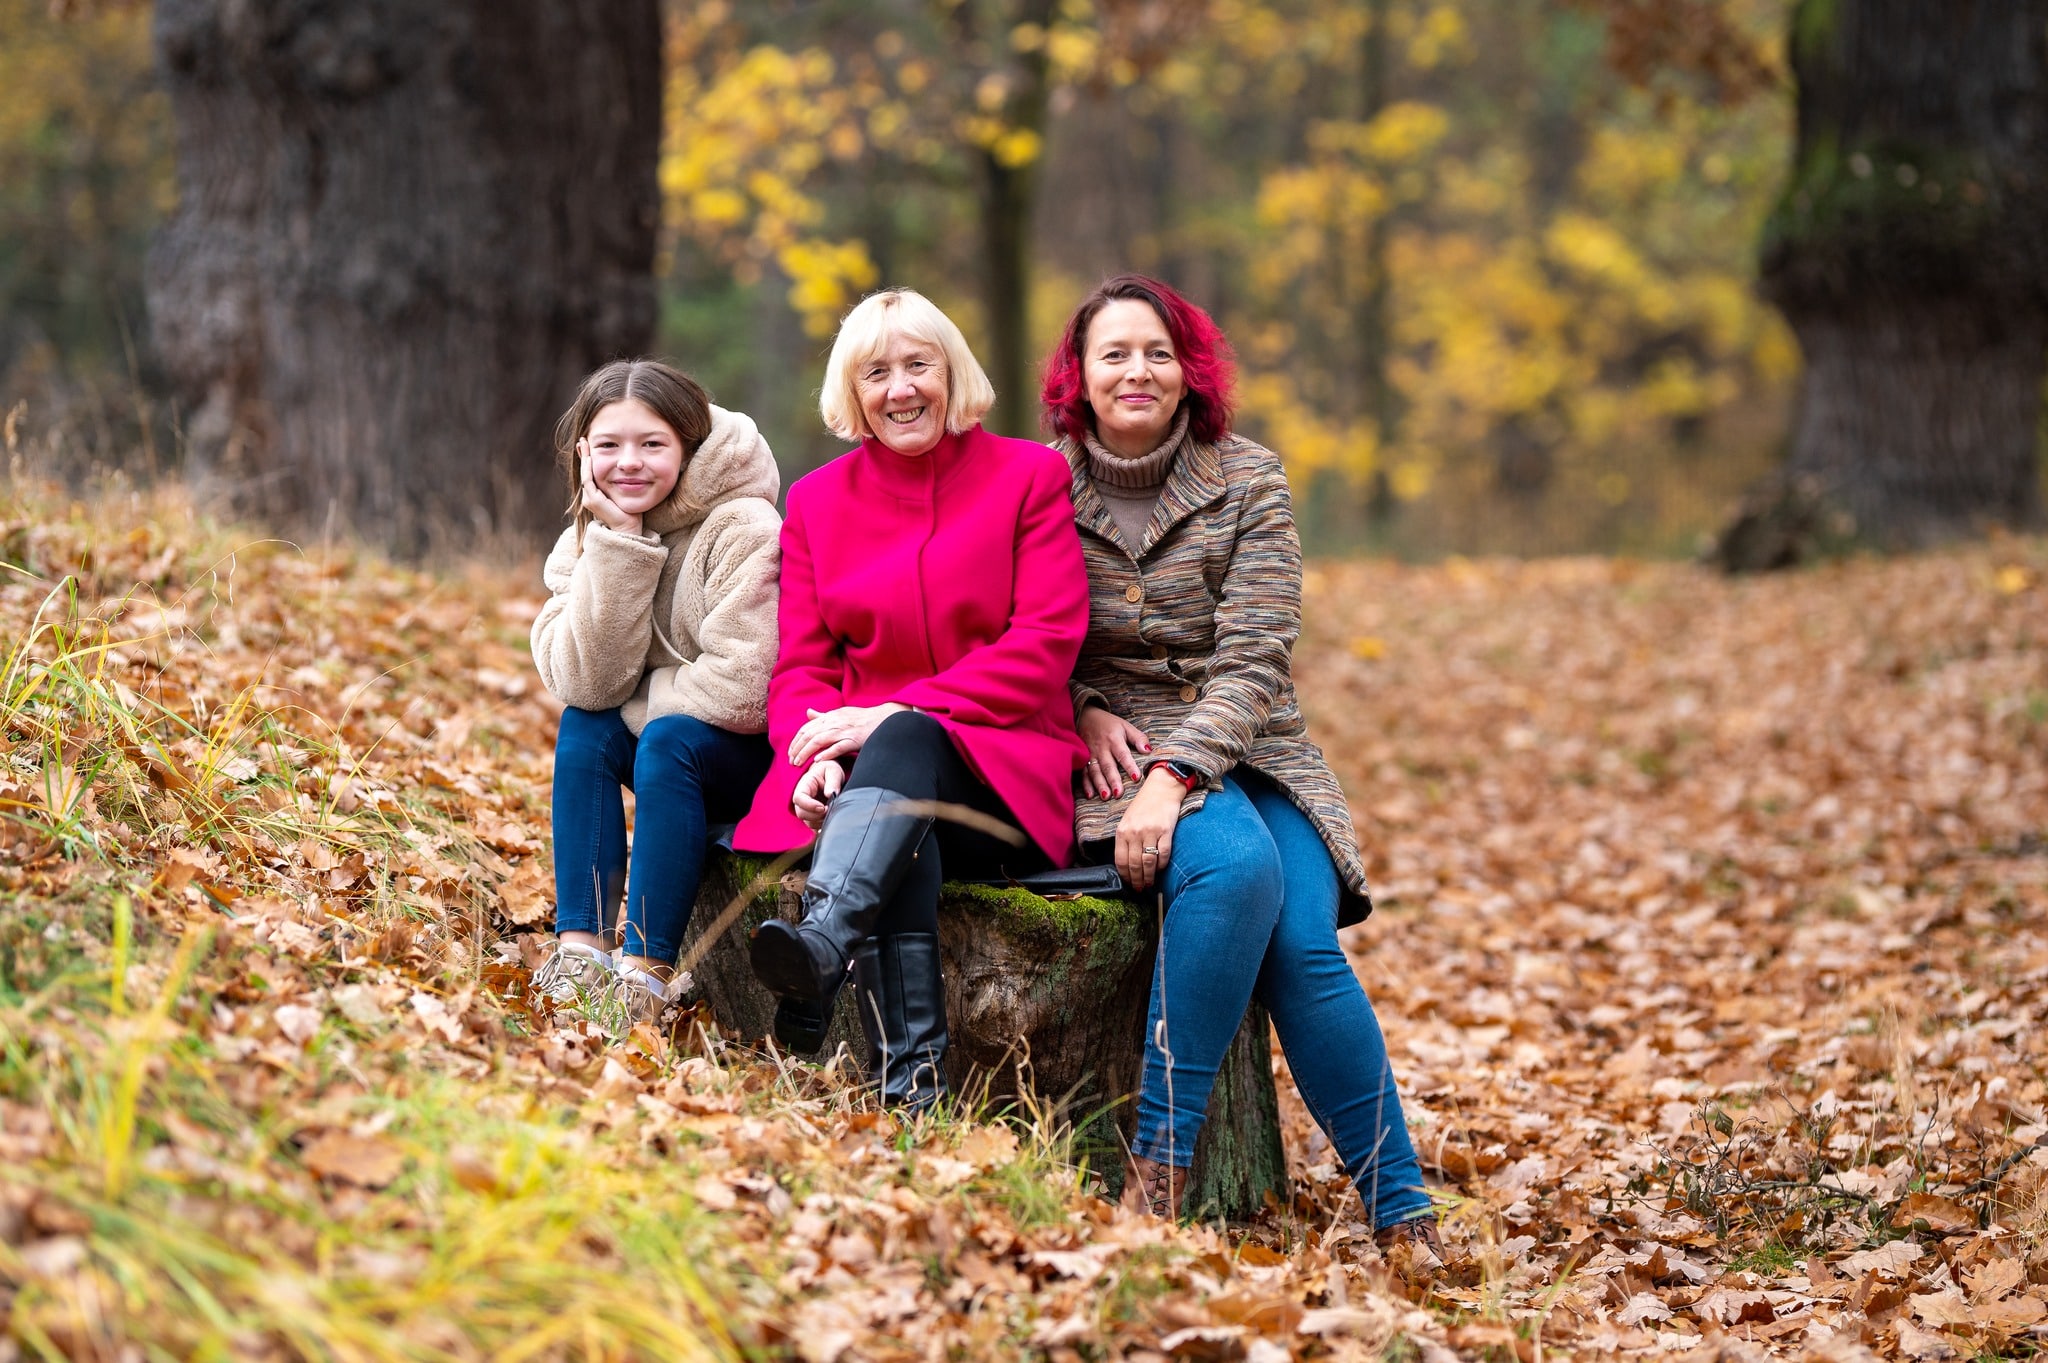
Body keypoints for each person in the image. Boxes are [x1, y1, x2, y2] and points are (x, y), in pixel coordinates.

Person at [1042, 274, 1438, 1251]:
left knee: (1302, 946)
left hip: (1254, 747)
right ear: (1078, 375)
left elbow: (1255, 656)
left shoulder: (1248, 477)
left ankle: (1403, 1214)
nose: (1137, 371)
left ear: (1189, 371)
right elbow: (1025, 633)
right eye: (1113, 354)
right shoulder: (1038, 484)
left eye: (1158, 353)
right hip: (1117, 749)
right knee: (1243, 875)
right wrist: (1082, 709)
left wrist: (1176, 776)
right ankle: (1162, 1173)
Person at [734, 287, 1089, 1111]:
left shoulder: (1030, 477)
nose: (901, 388)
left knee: (907, 739)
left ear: (951, 371)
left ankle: (824, 939)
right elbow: (801, 669)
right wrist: (812, 761)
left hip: (1002, 773)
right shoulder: (816, 501)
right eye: (876, 373)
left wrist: (895, 712)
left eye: (918, 365)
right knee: (898, 808)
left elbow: (1045, 643)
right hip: (870, 790)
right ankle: (912, 1093)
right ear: (853, 393)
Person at [529, 359, 781, 1023]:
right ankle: (581, 956)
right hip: (665, 745)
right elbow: (584, 682)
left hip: (742, 760)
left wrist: (642, 702)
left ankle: (643, 978)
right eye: (608, 445)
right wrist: (620, 544)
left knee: (666, 739)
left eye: (652, 444)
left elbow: (747, 687)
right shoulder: (588, 535)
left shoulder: (744, 526)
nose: (628, 463)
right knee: (587, 725)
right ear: (583, 453)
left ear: (688, 447)